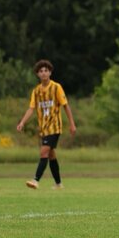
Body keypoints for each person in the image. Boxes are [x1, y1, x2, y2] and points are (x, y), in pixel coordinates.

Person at [16, 59, 77, 190]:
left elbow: (66, 106)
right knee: (51, 155)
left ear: (50, 72)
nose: (43, 73)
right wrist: (22, 122)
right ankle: (59, 184)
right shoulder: (36, 91)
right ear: (37, 74)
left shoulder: (56, 87)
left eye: (46, 70)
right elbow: (31, 108)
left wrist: (72, 124)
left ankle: (36, 180)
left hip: (55, 127)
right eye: (41, 71)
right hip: (44, 128)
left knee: (43, 152)